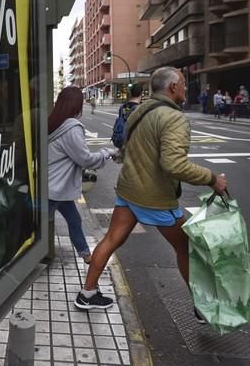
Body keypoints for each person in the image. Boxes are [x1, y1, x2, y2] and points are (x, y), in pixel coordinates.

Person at [74, 67, 227, 322]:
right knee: (186, 247)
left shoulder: (138, 111)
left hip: (128, 188)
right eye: (184, 83)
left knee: (111, 239)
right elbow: (175, 164)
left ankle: (87, 293)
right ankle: (203, 307)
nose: (186, 88)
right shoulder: (174, 118)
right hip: (154, 196)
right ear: (173, 87)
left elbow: (124, 145)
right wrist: (212, 179)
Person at [49, 87, 117, 263]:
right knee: (37, 223)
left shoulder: (53, 122)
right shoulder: (71, 127)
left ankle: (86, 255)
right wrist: (106, 153)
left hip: (54, 184)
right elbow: (85, 159)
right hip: (55, 186)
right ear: (76, 105)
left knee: (74, 219)